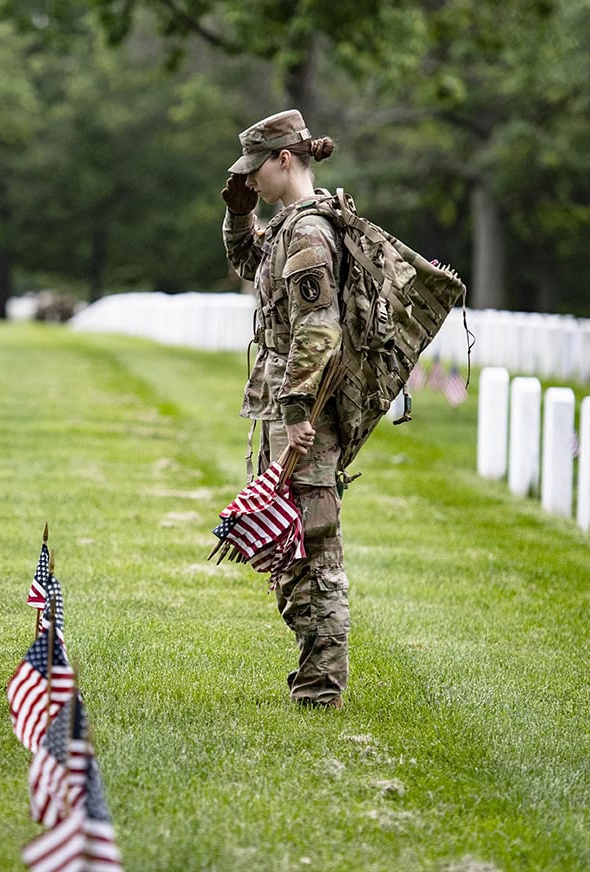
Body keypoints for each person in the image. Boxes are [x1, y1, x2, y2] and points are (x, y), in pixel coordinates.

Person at [220, 109, 348, 709]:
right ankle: (312, 675)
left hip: (303, 411)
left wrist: (296, 411)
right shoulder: (286, 227)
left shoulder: (309, 235)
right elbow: (251, 266)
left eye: (256, 171)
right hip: (286, 405)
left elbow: (318, 331)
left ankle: (322, 686)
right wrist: (238, 214)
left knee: (313, 545)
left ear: (285, 159)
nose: (251, 179)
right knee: (292, 546)